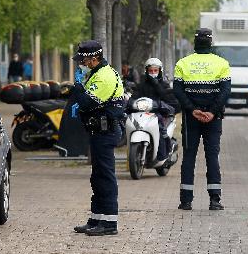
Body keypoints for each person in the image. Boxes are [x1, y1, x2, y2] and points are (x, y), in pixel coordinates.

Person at [70, 40, 124, 236]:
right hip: (99, 131)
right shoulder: (97, 74)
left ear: (94, 59)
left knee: (105, 177)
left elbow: (86, 102)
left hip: (105, 132)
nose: (81, 65)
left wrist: (77, 87)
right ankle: (96, 219)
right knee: (97, 177)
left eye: (83, 61)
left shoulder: (104, 77)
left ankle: (109, 223)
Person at [172, 28, 231, 211]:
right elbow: (225, 92)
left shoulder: (183, 63)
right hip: (213, 119)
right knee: (212, 156)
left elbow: (178, 91)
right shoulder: (222, 63)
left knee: (189, 157)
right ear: (210, 43)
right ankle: (215, 200)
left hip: (191, 119)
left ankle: (186, 201)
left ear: (195, 43)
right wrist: (212, 112)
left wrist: (193, 110)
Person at [131, 57, 180, 165]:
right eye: (151, 71)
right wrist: (129, 104)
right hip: (143, 114)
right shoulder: (142, 85)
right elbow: (134, 97)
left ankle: (163, 153)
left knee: (161, 128)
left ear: (160, 71)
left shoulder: (164, 85)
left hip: (159, 114)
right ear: (146, 71)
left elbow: (171, 101)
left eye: (155, 71)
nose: (153, 73)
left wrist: (157, 87)